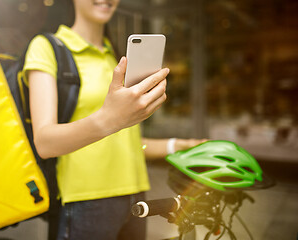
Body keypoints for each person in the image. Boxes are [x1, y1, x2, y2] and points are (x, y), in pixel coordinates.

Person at [23, 0, 205, 239]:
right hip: (85, 200)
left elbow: (126, 141)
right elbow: (45, 143)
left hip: (137, 197)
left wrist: (175, 145)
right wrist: (109, 118)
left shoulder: (116, 55)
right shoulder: (47, 47)